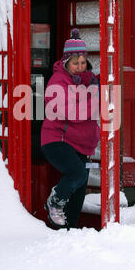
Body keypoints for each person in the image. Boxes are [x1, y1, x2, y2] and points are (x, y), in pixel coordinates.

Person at [41, 28, 100, 229]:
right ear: (66, 62)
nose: (80, 67)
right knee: (77, 175)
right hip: (57, 139)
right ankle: (55, 201)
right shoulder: (58, 81)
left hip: (80, 142)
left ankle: (69, 230)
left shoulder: (90, 80)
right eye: (75, 63)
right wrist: (98, 99)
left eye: (83, 62)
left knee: (79, 191)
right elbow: (71, 112)